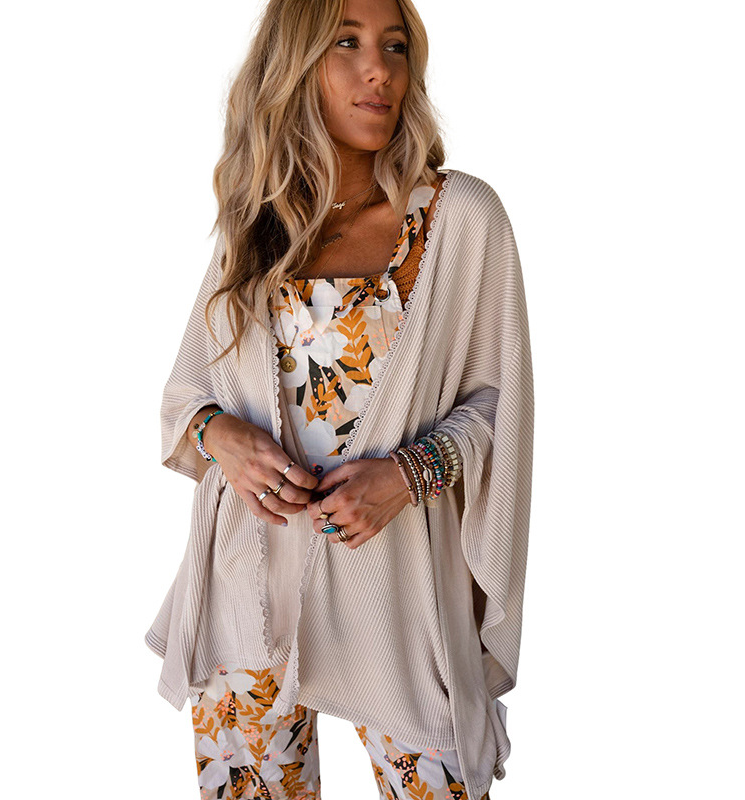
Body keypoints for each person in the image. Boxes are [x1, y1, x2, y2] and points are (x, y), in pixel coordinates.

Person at [144, 0, 535, 798]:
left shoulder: (460, 217)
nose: (378, 70)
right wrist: (223, 437)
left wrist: (409, 474)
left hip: (398, 599)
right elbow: (189, 392)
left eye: (395, 46)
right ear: (295, 66)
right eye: (346, 44)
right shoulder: (259, 224)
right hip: (247, 592)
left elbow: (503, 406)